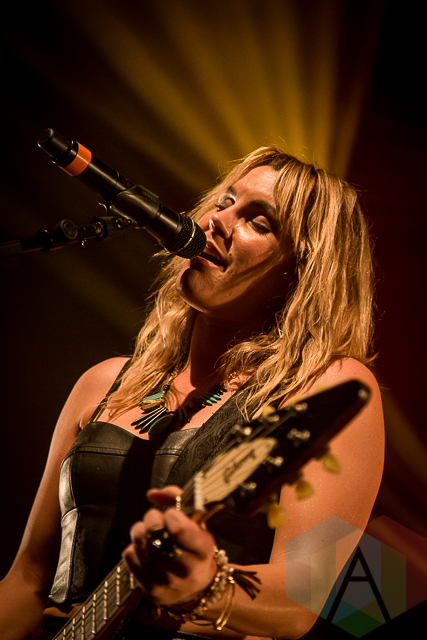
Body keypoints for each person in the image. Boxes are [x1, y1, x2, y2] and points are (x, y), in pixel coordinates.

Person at [0, 147, 384, 640]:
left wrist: (206, 585)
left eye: (259, 222)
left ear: (302, 273)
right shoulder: (104, 382)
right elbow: (28, 580)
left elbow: (302, 599)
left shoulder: (325, 386)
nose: (217, 221)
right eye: (224, 201)